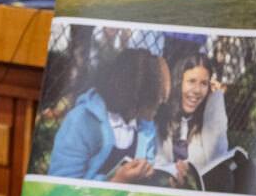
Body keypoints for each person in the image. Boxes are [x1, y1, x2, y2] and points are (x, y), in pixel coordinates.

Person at [47, 48, 170, 183]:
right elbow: (60, 187)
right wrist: (116, 182)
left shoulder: (145, 126)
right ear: (138, 94)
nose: (160, 101)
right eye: (156, 97)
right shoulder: (80, 121)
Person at [154, 53, 228, 175]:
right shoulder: (163, 112)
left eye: (204, 83)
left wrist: (216, 99)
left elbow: (216, 158)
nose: (197, 90)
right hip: (167, 183)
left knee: (227, 177)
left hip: (200, 187)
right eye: (191, 81)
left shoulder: (208, 112)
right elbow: (156, 161)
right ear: (179, 82)